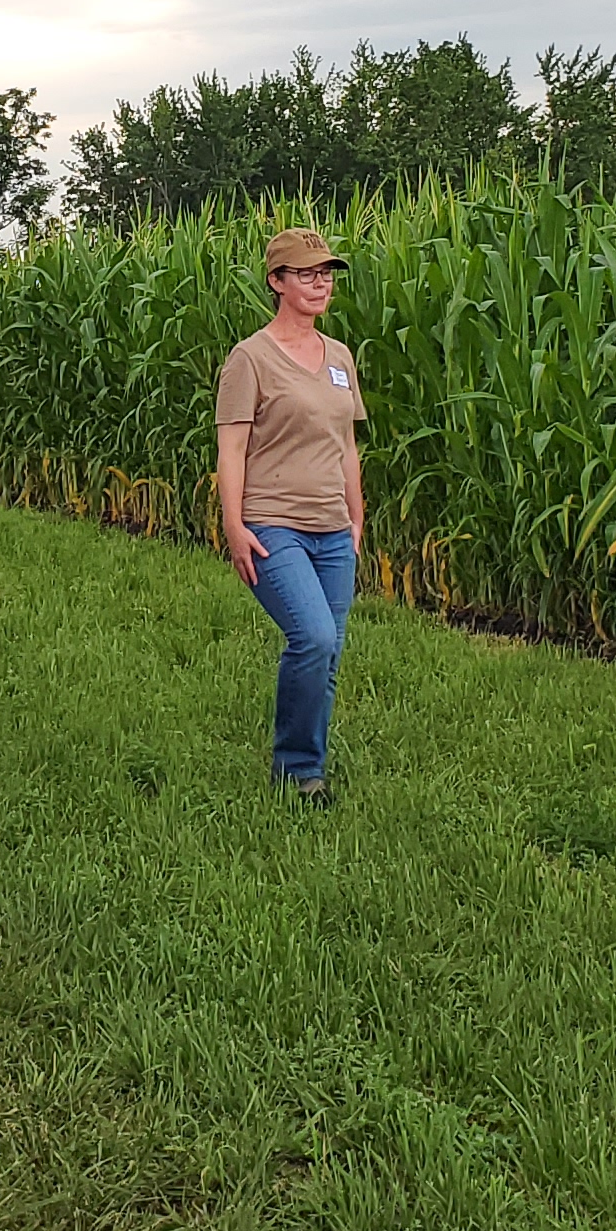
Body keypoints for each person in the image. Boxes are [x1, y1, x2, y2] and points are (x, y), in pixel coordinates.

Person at [213, 227, 366, 801]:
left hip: (332, 529)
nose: (320, 282)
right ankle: (298, 766)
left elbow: (346, 444)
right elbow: (231, 450)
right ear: (276, 281)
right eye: (305, 273)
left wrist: (355, 515)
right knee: (314, 636)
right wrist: (234, 526)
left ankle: (308, 768)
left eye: (325, 272)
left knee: (328, 654)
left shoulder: (340, 358)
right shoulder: (249, 359)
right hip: (272, 522)